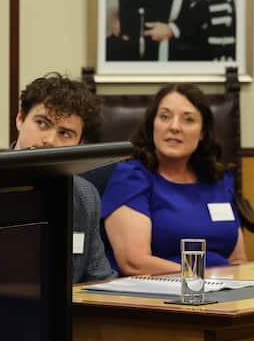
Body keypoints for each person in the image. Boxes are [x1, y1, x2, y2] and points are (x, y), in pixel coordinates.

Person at [101, 84, 245, 274]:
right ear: (152, 124)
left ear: (202, 132)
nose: (174, 127)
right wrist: (199, 279)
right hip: (161, 289)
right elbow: (134, 262)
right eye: (165, 117)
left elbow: (238, 260)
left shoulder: (218, 179)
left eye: (188, 119)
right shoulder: (131, 178)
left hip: (223, 288)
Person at [13, 72, 113, 284]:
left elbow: (99, 279)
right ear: (20, 119)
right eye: (42, 123)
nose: (50, 140)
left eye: (65, 134)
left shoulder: (85, 195)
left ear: (79, 143)